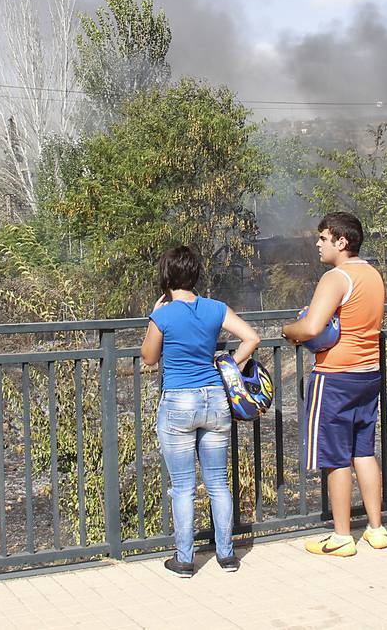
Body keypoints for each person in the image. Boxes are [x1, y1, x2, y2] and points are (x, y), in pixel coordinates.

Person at [141, 245, 261, 577]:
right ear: (195, 275)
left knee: (183, 486)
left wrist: (153, 316)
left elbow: (149, 358)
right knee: (218, 483)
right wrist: (229, 365)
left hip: (179, 401)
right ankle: (227, 556)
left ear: (166, 276)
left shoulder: (163, 314)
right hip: (214, 399)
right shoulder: (215, 308)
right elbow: (252, 338)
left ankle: (184, 560)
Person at [282, 212, 387, 555]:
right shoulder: (372, 275)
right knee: (364, 452)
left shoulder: (335, 278)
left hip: (335, 377)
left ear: (341, 242)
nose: (317, 243)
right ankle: (376, 528)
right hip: (368, 373)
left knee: (335, 456)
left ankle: (342, 537)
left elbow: (312, 328)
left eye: (323, 238)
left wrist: (288, 331)